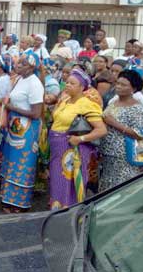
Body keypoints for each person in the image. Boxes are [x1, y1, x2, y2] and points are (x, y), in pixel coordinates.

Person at [49, 68, 107, 209]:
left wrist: (80, 139)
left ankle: (69, 213)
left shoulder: (86, 104)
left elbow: (102, 130)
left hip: (72, 150)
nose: (68, 85)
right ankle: (57, 210)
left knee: (69, 183)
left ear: (82, 87)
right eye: (67, 82)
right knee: (57, 181)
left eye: (72, 83)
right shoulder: (66, 100)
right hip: (58, 149)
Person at [0, 53, 44, 213]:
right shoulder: (19, 79)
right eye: (18, 63)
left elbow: (36, 113)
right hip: (14, 127)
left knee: (22, 164)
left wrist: (11, 108)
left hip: (27, 131)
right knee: (11, 161)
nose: (18, 66)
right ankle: (7, 198)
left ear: (32, 67)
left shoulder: (35, 84)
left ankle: (18, 203)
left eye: (22, 64)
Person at [99, 70, 143, 192]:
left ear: (133, 88)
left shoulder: (136, 108)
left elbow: (141, 133)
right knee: (107, 191)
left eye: (123, 85)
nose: (118, 87)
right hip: (108, 156)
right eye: (117, 83)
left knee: (121, 191)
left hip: (125, 158)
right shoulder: (114, 102)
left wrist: (114, 123)